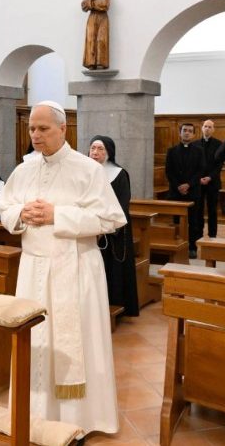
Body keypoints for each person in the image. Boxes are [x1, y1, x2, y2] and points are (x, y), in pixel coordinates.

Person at [0, 101, 126, 435]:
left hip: (77, 267)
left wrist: (59, 215)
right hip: (33, 269)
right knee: (35, 342)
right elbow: (5, 205)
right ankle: (34, 418)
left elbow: (111, 218)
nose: (35, 135)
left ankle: (78, 422)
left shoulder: (88, 169)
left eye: (43, 129)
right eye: (31, 129)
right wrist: (20, 214)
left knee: (77, 341)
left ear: (63, 128)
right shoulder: (24, 169)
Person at [88, 135, 139, 316]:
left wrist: (105, 227)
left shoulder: (119, 174)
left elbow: (122, 205)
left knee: (113, 271)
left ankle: (115, 306)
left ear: (109, 153)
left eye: (100, 149)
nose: (95, 152)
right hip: (90, 229)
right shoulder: (86, 173)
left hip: (113, 232)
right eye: (93, 148)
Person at [165, 123, 205, 258]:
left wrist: (188, 185)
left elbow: (200, 171)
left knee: (193, 222)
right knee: (176, 221)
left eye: (190, 131)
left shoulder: (199, 151)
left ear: (194, 134)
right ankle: (176, 245)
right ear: (179, 133)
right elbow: (169, 172)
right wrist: (179, 186)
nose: (187, 133)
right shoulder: (171, 151)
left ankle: (192, 247)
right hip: (176, 193)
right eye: (184, 130)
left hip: (193, 192)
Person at [192, 119, 224, 238]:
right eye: (205, 126)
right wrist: (199, 178)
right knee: (198, 210)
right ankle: (198, 234)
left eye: (210, 127)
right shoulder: (194, 144)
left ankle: (212, 235)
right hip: (198, 183)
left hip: (213, 182)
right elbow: (193, 165)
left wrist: (210, 177)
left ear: (213, 129)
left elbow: (219, 164)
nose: (207, 129)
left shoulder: (219, 144)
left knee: (212, 211)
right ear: (201, 128)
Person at [81, 0, 110, 70]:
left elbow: (105, 5)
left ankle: (101, 62)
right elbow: (84, 5)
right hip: (92, 17)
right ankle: (91, 62)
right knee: (91, 39)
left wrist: (92, 3)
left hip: (102, 18)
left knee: (101, 39)